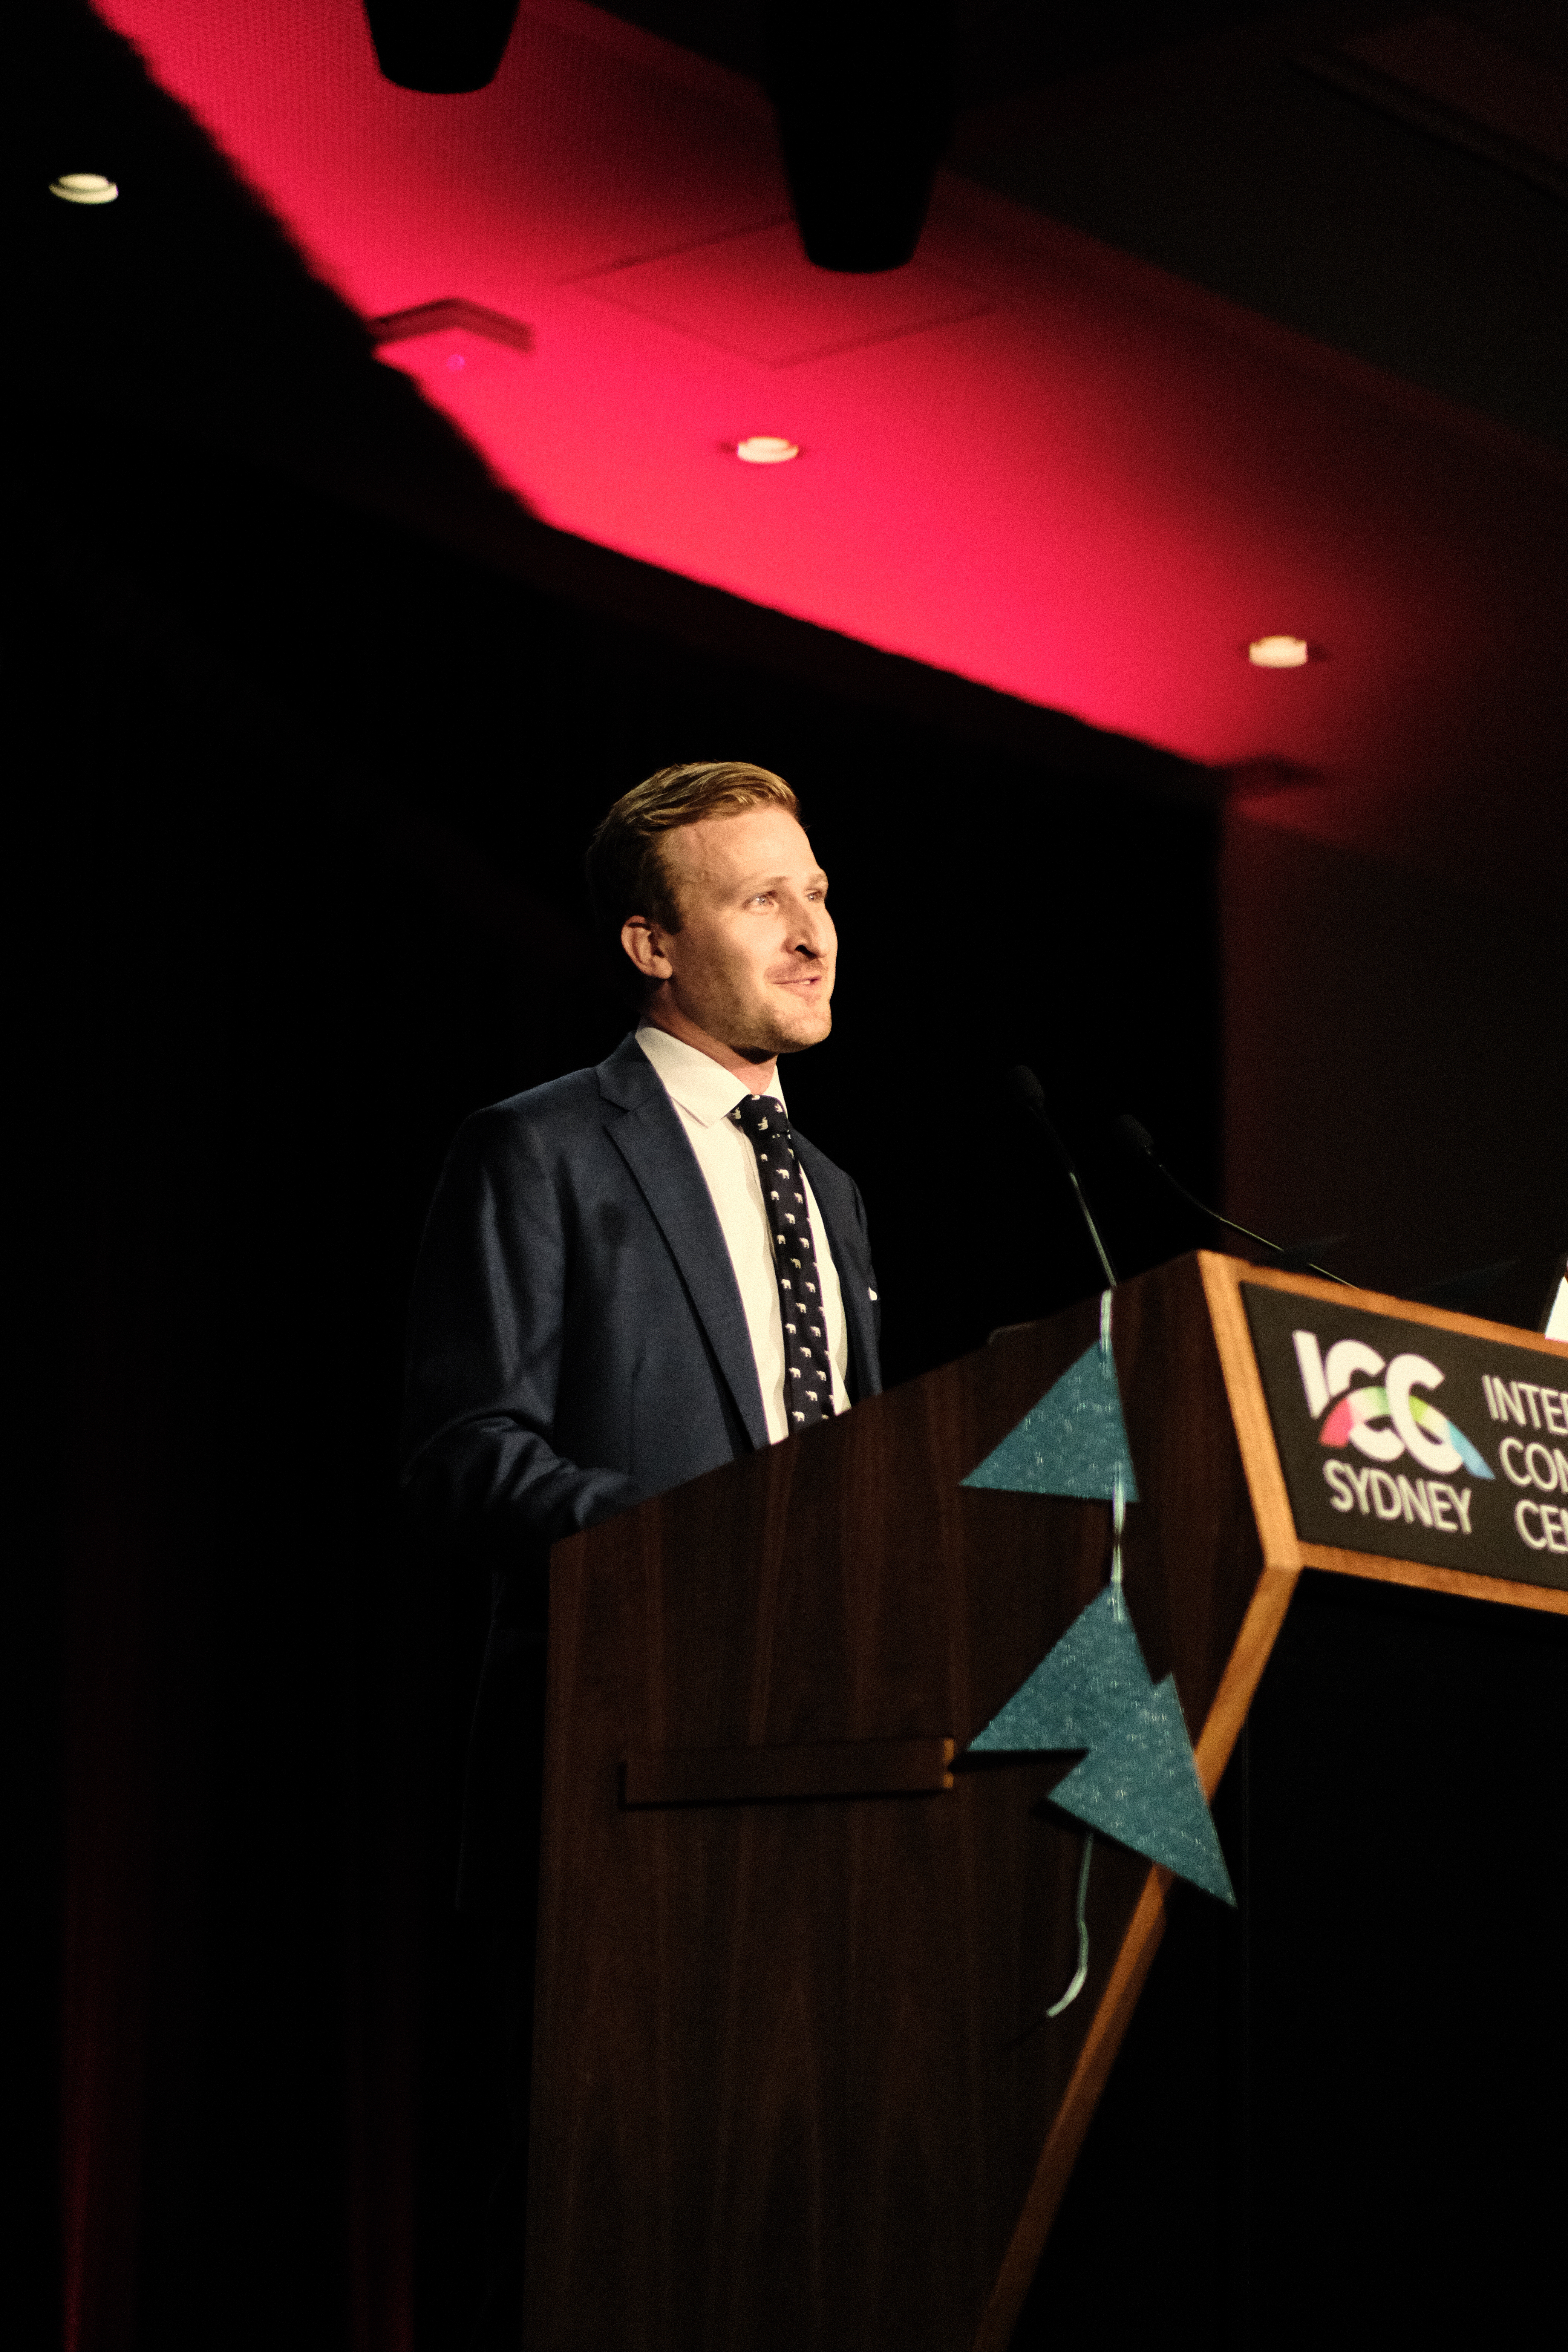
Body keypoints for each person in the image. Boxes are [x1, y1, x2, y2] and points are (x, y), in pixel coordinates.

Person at [400, 760, 881, 2346]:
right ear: (652, 945)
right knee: (580, 2243)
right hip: (613, 1773)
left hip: (823, 1773)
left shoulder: (833, 1196)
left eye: (817, 892)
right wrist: (701, 1548)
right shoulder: (541, 1147)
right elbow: (470, 1452)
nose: (811, 931)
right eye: (762, 899)